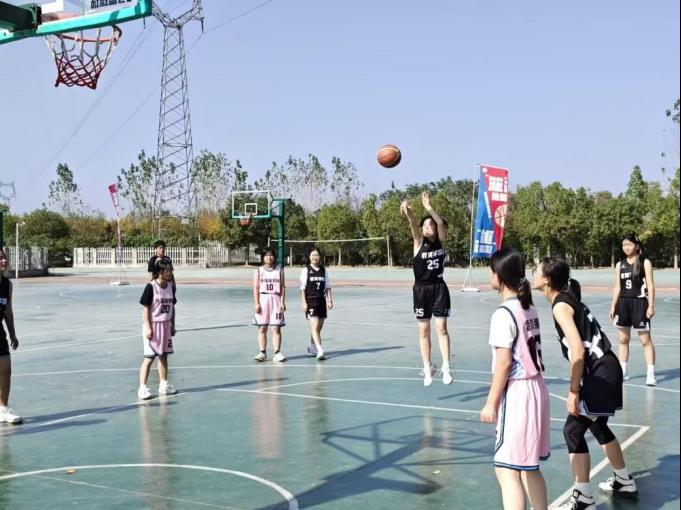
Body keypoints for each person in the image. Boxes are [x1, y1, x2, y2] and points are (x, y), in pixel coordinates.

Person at [533, 257, 638, 510]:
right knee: (598, 426)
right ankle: (624, 480)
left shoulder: (560, 306)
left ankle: (582, 498)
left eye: (536, 270)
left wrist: (573, 390)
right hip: (607, 367)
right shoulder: (566, 300)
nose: (532, 273)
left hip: (600, 372)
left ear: (547, 279)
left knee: (572, 431)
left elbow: (578, 351)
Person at [480, 249, 549, 510]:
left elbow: (504, 363)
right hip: (537, 388)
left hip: (518, 394)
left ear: (499, 275)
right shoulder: (528, 307)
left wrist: (490, 403)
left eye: (491, 270)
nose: (489, 274)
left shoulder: (503, 313)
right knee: (529, 467)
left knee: (506, 470)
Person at [400, 191, 452, 386]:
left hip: (439, 288)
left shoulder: (441, 242)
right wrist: (409, 213)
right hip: (421, 291)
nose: (428, 226)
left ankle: (446, 366)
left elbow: (441, 223)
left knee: (441, 328)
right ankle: (427, 366)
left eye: (431, 224)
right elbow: (413, 224)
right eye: (425, 225)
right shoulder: (418, 243)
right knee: (424, 331)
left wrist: (428, 207)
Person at [608, 233, 657, 386]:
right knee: (623, 339)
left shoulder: (644, 262)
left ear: (636, 245)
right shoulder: (620, 265)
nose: (626, 247)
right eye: (624, 245)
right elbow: (618, 286)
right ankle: (623, 371)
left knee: (645, 340)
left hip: (640, 303)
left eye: (629, 244)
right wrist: (613, 305)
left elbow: (650, 285)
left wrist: (651, 305)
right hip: (623, 304)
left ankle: (651, 373)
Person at [138, 258, 178, 400]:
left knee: (163, 356)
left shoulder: (171, 287)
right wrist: (148, 327)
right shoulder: (151, 287)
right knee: (149, 357)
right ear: (160, 272)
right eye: (167, 270)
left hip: (165, 324)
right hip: (153, 325)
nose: (170, 273)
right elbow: (146, 309)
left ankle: (163, 385)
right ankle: (142, 388)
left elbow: (172, 307)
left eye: (170, 270)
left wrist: (173, 324)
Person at [300, 246, 333, 361]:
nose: (315, 257)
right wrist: (304, 302)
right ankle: (320, 350)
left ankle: (312, 348)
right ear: (309, 257)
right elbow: (302, 288)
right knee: (314, 327)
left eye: (317, 255)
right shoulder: (306, 270)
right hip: (311, 301)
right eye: (313, 255)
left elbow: (328, 286)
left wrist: (329, 300)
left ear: (320, 257)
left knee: (318, 328)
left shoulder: (324, 270)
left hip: (321, 301)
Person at [253, 247, 286, 362]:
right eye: (266, 255)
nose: (269, 257)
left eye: (271, 255)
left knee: (276, 328)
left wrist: (282, 302)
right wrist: (256, 303)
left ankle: (277, 352)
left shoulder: (279, 270)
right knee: (262, 327)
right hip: (263, 299)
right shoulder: (259, 271)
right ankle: (262, 352)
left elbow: (282, 287)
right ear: (263, 257)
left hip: (276, 299)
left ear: (274, 257)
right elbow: (256, 288)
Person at [0, 249, 22, 424]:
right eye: (0, 258)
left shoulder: (7, 285)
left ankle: (3, 409)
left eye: (4, 257)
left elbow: (8, 311)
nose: (4, 260)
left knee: (6, 370)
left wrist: (13, 334)